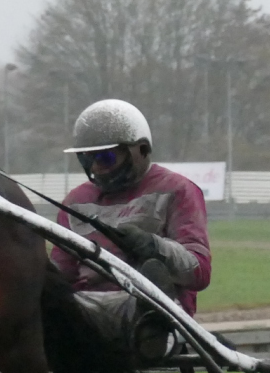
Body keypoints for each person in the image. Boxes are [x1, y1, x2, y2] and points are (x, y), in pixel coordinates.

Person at [50, 100, 212, 350]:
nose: (95, 168)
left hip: (154, 308)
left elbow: (199, 272)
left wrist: (154, 247)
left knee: (140, 304)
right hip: (85, 307)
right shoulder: (75, 201)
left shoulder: (177, 190)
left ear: (142, 150)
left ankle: (152, 321)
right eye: (86, 159)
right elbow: (62, 274)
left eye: (105, 157)